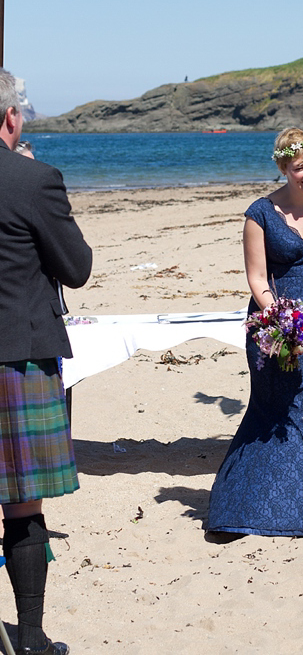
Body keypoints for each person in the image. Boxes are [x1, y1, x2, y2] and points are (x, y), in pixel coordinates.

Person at [207, 128, 303, 537]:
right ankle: (254, 503)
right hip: (274, 324)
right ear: (283, 167)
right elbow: (257, 277)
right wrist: (280, 317)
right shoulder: (259, 213)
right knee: (275, 407)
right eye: (300, 168)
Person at [0, 69, 92, 655]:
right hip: (18, 356)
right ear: (11, 117)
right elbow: (76, 268)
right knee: (21, 502)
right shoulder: (33, 180)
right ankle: (30, 638)